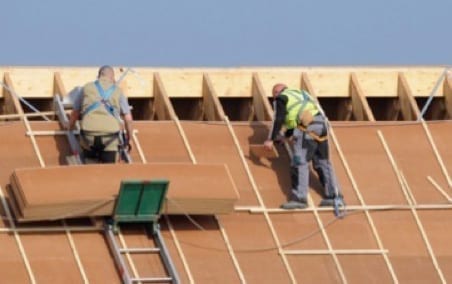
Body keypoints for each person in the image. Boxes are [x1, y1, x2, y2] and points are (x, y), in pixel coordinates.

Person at [263, 83, 344, 209]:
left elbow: (278, 119)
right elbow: (297, 117)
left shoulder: (281, 98)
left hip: (307, 129)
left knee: (299, 162)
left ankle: (299, 199)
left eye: (273, 96)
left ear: (277, 93)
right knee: (322, 162)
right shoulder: (301, 94)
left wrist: (270, 139)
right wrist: (286, 136)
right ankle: (335, 196)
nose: (274, 99)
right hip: (322, 125)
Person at [68, 65, 133, 163]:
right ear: (112, 77)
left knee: (90, 168)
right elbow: (128, 119)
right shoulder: (118, 91)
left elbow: (75, 113)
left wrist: (70, 128)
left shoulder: (86, 88)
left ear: (98, 76)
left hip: (88, 136)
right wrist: (130, 138)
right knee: (109, 170)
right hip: (110, 137)